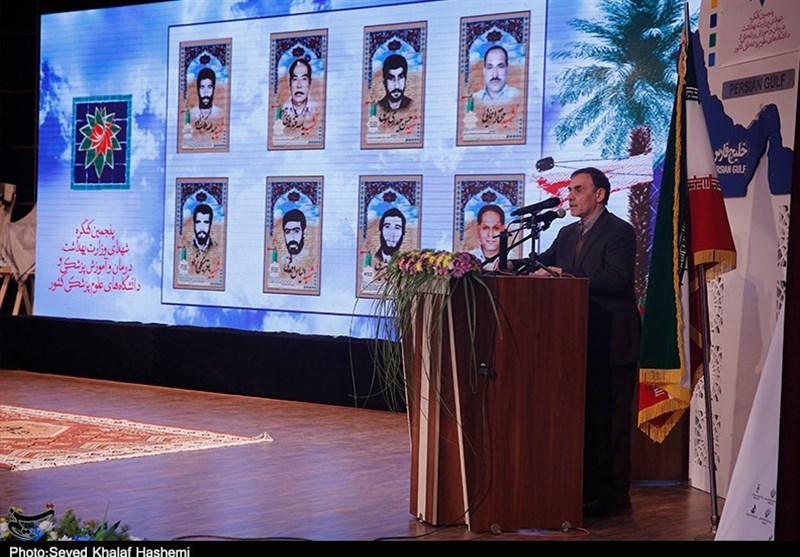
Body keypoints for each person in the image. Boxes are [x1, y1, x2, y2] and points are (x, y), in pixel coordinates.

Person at [534, 167, 640, 518]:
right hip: (575, 342)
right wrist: (503, 263)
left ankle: (615, 497)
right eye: (570, 189)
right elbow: (543, 263)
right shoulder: (566, 233)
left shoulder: (620, 231)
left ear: (600, 194)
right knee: (585, 420)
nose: (570, 196)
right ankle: (586, 490)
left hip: (612, 343)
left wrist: (566, 275)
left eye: (578, 189)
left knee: (611, 422)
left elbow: (616, 279)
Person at [186, 203, 222, 279]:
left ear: (210, 224)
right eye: (198, 222)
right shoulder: (185, 248)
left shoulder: (217, 249)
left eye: (206, 222)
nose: (201, 228)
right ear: (194, 224)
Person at [468, 204, 505, 271]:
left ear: (503, 229)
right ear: (478, 229)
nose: (490, 234)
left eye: (496, 228)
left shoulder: (513, 258)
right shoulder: (468, 258)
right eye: (485, 228)